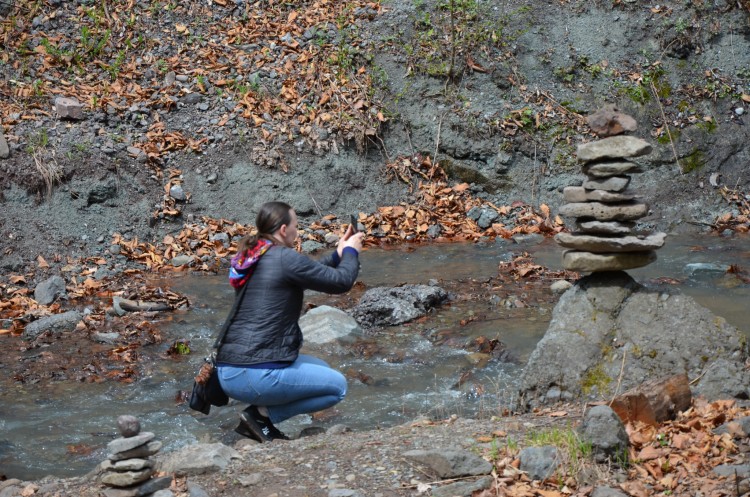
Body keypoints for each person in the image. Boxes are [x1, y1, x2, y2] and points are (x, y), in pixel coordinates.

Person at [216, 201, 364, 442]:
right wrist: (351, 252)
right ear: (284, 230)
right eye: (296, 225)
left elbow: (311, 271)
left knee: (322, 370)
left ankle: (257, 416)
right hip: (254, 373)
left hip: (228, 371)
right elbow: (341, 282)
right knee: (337, 386)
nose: (298, 231)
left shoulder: (254, 255)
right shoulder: (284, 257)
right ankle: (261, 416)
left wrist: (338, 254)